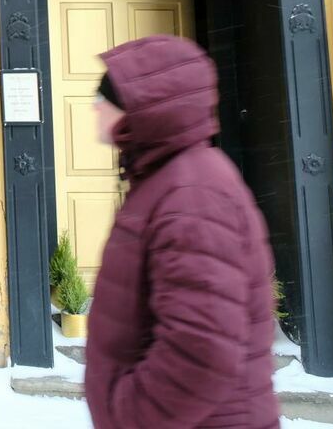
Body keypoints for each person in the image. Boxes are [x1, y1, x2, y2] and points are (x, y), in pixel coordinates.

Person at [85, 35, 279, 428]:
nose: (94, 106)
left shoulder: (192, 193)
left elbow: (200, 351)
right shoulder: (171, 180)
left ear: (139, 108)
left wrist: (128, 413)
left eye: (104, 97)